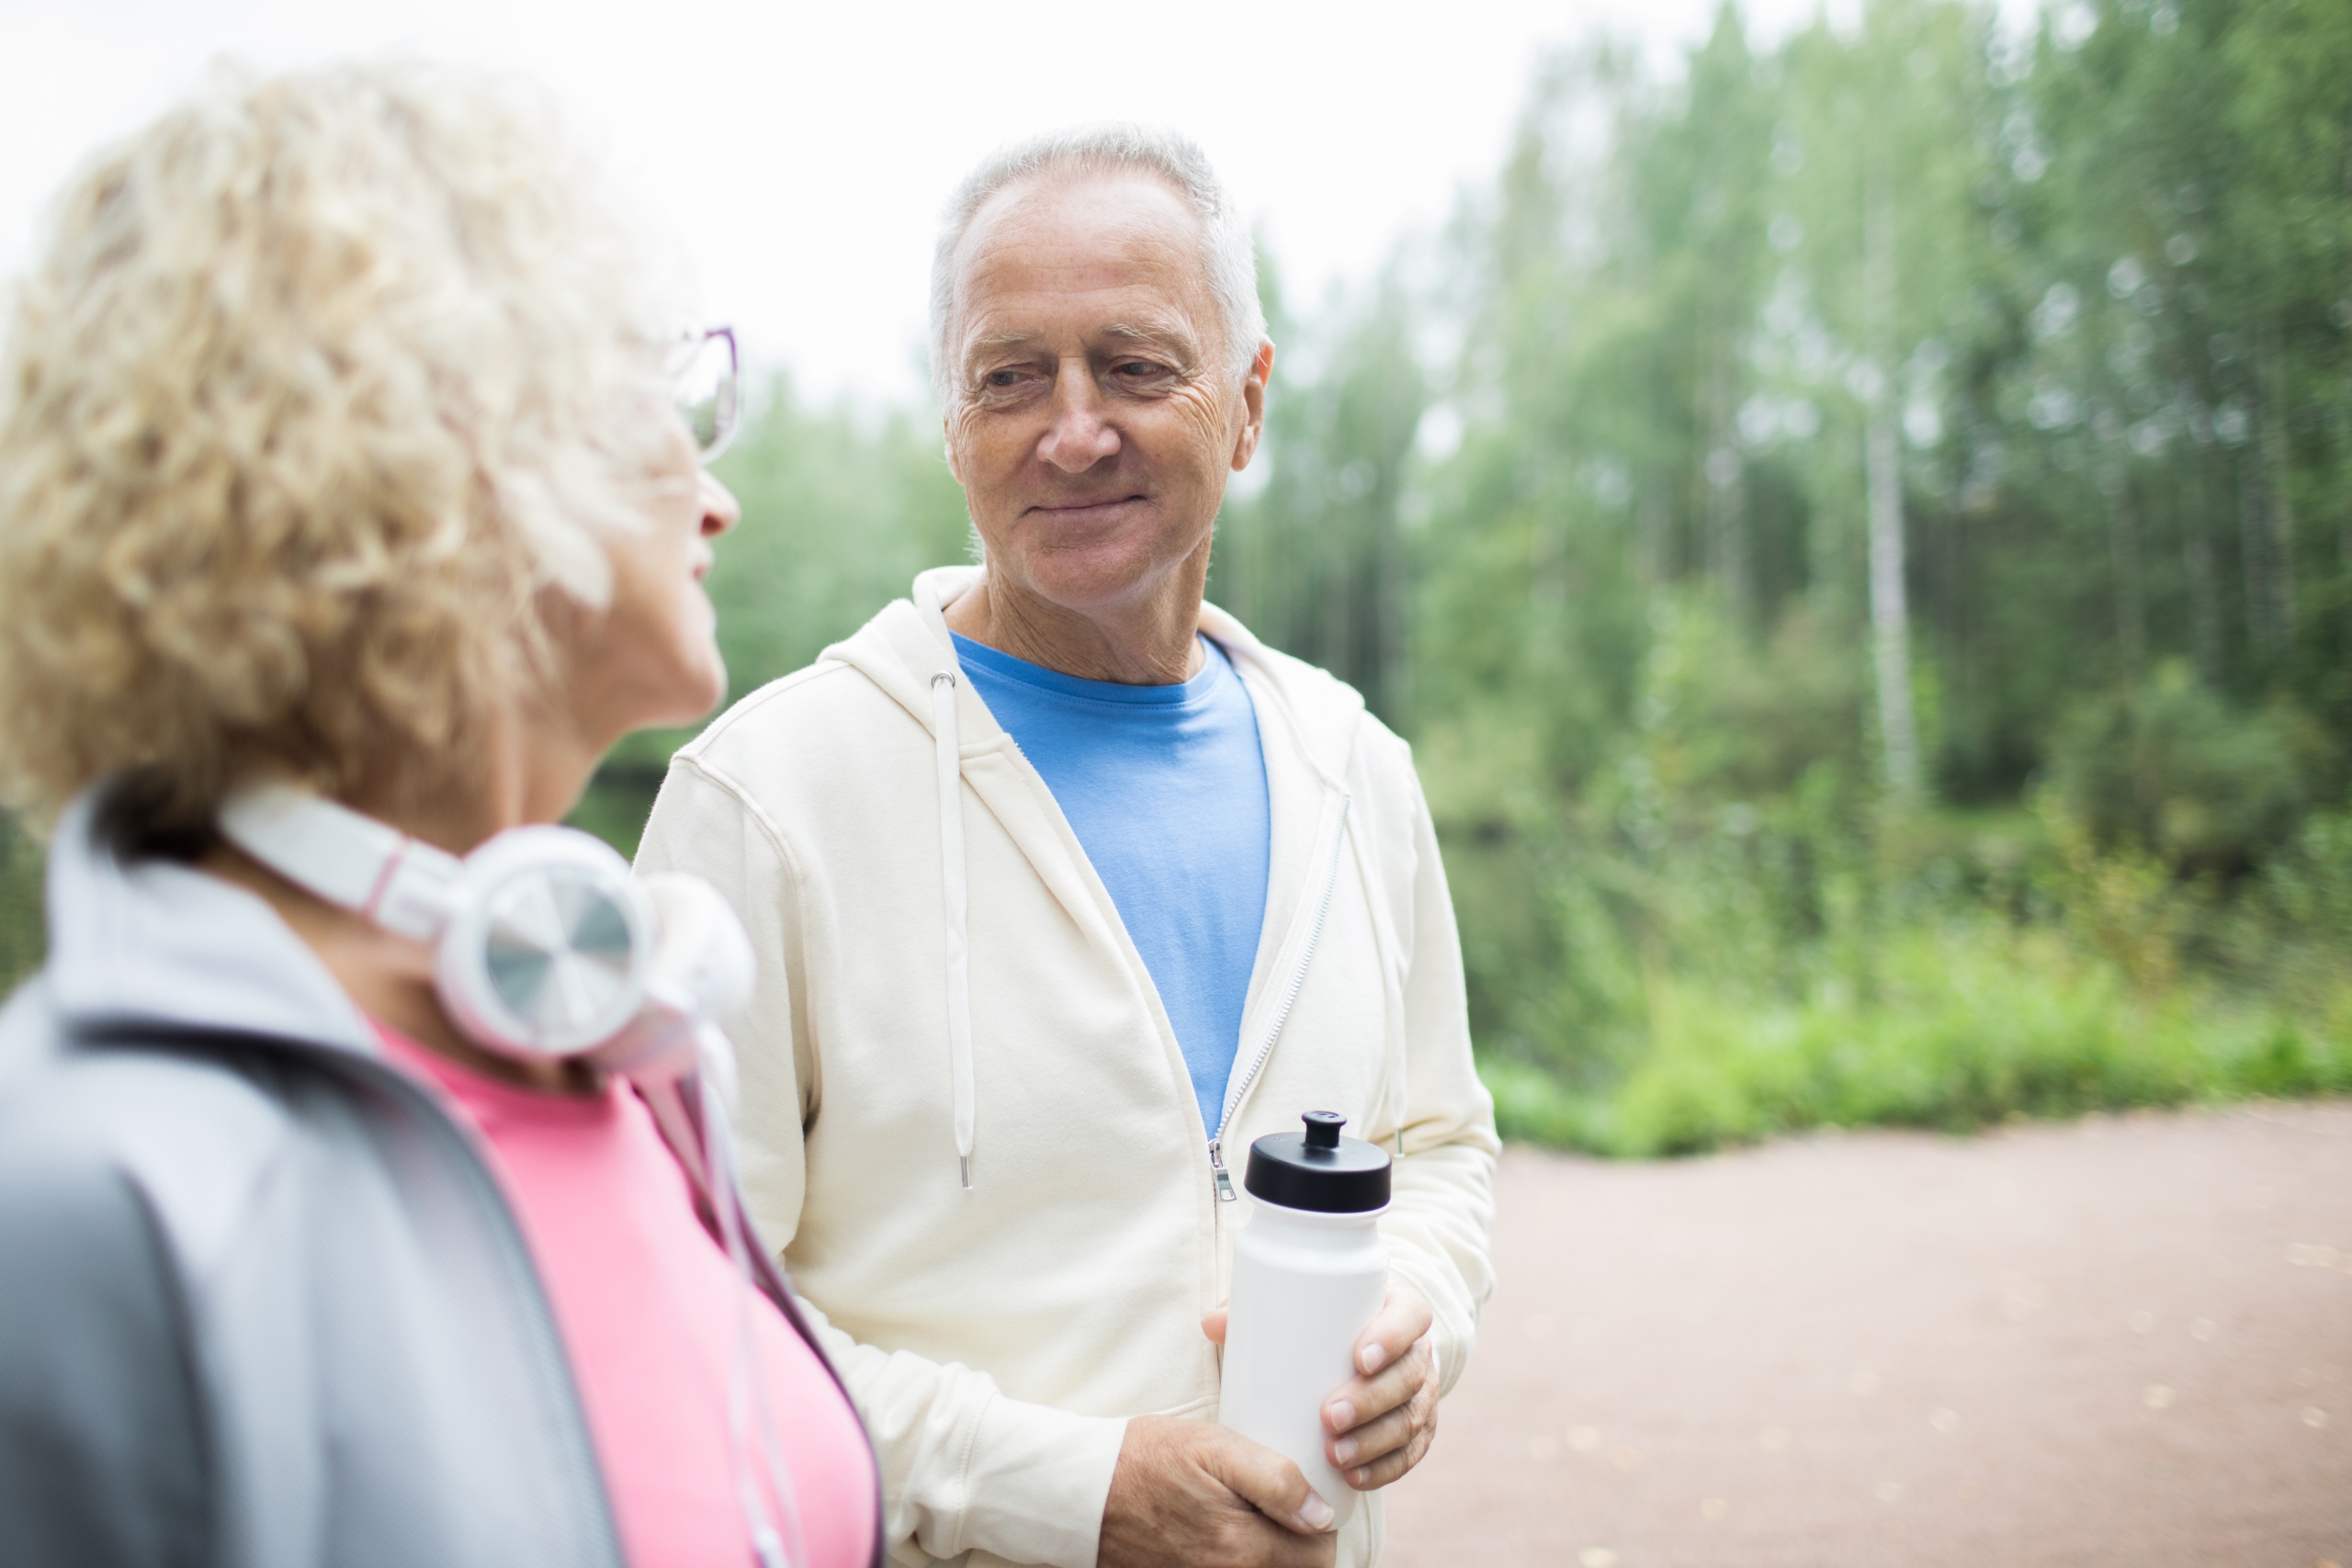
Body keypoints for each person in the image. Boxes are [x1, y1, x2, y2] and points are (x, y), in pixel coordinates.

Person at [0, 65, 880, 1568]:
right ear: (446, 446)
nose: (714, 498)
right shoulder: (87, 1192)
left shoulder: (612, 1035)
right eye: (650, 396)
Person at [635, 125, 1498, 1568]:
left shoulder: (1356, 770)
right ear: (951, 423)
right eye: (1011, 377)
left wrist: (1420, 1312)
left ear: (1248, 403)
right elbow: (677, 1311)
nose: (1074, 430)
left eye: (1136, 366)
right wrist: (1070, 1491)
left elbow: (1440, 1147)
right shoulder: (766, 799)